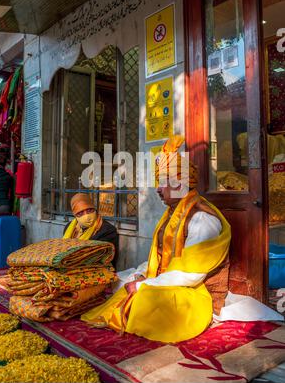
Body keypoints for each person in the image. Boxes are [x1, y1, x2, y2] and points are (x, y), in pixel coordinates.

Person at [81, 135, 231, 343]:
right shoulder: (171, 215)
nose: (158, 190)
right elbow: (159, 259)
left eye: (164, 183)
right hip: (169, 282)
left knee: (144, 297)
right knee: (122, 279)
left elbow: (191, 276)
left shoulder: (202, 219)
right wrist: (142, 275)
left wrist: (146, 285)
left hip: (195, 293)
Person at [63, 193, 118, 269]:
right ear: (75, 215)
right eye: (80, 213)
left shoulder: (107, 230)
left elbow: (100, 258)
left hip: (97, 270)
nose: (86, 216)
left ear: (95, 209)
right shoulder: (69, 227)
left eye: (89, 210)